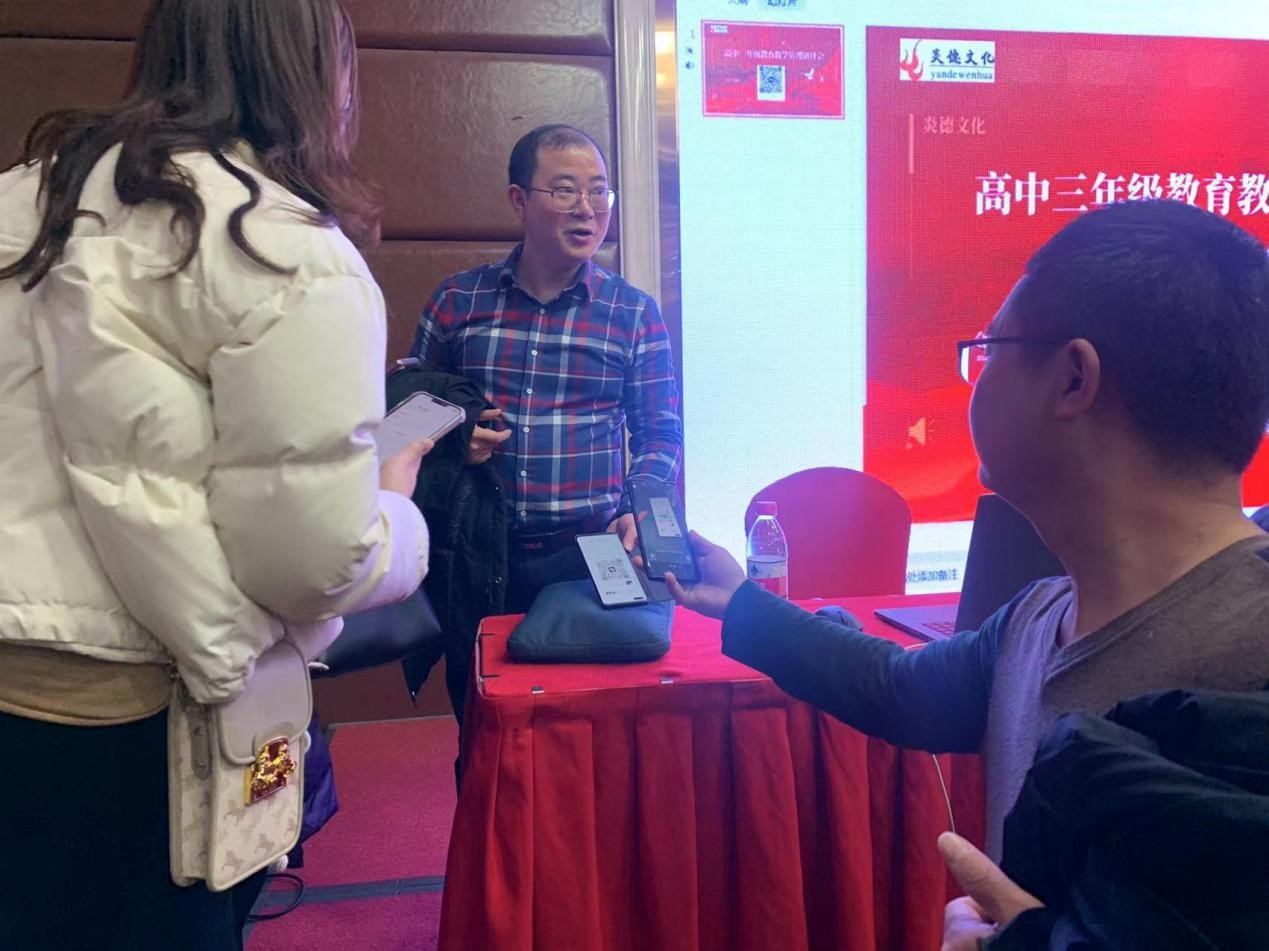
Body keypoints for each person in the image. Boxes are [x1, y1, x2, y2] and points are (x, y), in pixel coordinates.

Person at [667, 199, 1269, 879]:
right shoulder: (1036, 620)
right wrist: (740, 601)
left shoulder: (1252, 653)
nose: (976, 375)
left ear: (1073, 379)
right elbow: (897, 686)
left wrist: (1031, 932)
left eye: (989, 349)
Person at [0, 2, 430, 949]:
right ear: (316, 70)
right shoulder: (283, 245)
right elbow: (311, 560)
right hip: (123, 723)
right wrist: (397, 511)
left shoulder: (25, 195)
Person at [410, 125, 684, 613]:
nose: (587, 208)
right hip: (471, 546)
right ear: (520, 201)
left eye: (598, 191)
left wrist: (635, 510)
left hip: (590, 552)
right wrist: (453, 442)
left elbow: (659, 434)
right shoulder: (457, 300)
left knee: (587, 667)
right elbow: (410, 415)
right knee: (477, 665)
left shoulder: (634, 313)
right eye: (565, 191)